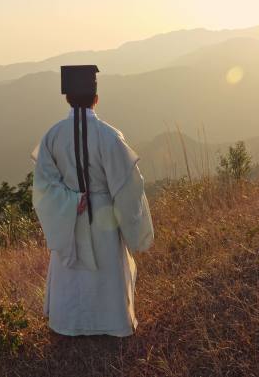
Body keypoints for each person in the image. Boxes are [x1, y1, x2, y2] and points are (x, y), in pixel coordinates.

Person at [32, 65, 154, 337]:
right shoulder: (110, 136)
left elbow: (43, 184)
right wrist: (133, 226)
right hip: (104, 214)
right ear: (96, 98)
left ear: (66, 98)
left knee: (72, 273)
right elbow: (128, 186)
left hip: (70, 215)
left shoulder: (52, 136)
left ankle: (69, 324)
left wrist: (69, 200)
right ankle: (110, 323)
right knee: (106, 268)